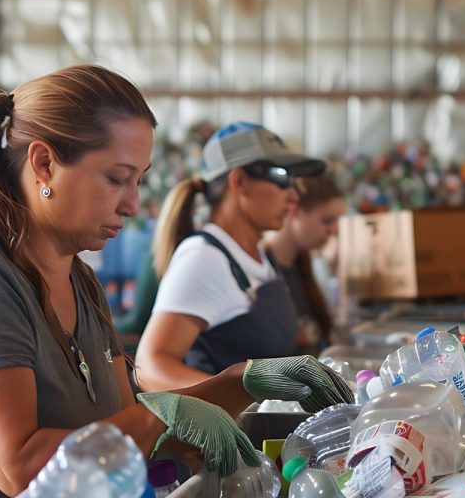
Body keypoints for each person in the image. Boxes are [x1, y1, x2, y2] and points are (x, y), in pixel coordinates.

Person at [0, 66, 352, 498]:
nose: (132, 203)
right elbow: (18, 465)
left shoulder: (77, 278)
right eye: (117, 179)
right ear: (44, 165)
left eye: (138, 181)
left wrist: (236, 383)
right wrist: (169, 414)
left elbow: (127, 427)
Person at [134, 122, 327, 392]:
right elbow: (150, 366)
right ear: (239, 182)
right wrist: (248, 405)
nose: (293, 195)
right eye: (282, 177)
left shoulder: (260, 256)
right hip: (230, 431)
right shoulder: (204, 258)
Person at [263, 173, 346, 357]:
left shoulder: (303, 265)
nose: (334, 230)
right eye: (327, 220)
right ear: (294, 211)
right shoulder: (262, 271)